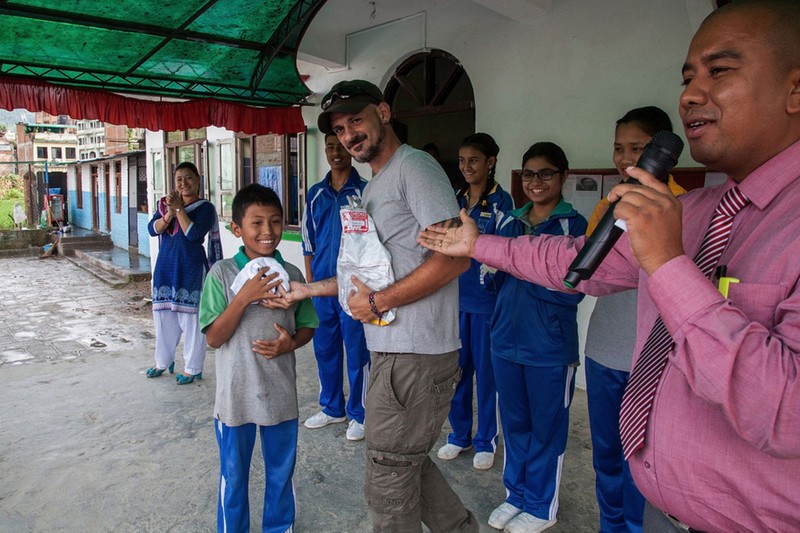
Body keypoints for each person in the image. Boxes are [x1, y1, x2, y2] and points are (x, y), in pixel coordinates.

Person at [418, 1, 800, 530]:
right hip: (663, 507)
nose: (690, 94)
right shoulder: (696, 212)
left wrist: (667, 262)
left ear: (795, 88)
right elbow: (576, 261)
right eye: (687, 77)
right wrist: (481, 245)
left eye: (720, 70)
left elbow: (785, 413)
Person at [283, 79, 478, 532]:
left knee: (387, 483)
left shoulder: (415, 168)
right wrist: (306, 291)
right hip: (391, 352)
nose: (349, 134)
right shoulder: (372, 190)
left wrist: (378, 301)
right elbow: (369, 277)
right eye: (339, 127)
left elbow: (455, 260)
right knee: (405, 463)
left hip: (417, 353)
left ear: (384, 113)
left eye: (356, 120)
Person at [583, 106, 686, 533]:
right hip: (604, 347)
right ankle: (611, 526)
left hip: (654, 358)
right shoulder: (607, 207)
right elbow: (589, 273)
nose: (627, 160)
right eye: (619, 149)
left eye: (639, 149)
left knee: (642, 461)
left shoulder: (682, 206)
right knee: (606, 453)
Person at [198, 183, 318, 532]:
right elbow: (214, 338)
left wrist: (290, 344)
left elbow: (308, 325)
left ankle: (279, 527)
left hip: (280, 393)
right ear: (237, 229)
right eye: (257, 223)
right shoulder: (221, 274)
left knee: (281, 472)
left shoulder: (293, 276)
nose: (268, 231)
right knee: (234, 476)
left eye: (276, 222)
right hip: (235, 398)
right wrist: (243, 297)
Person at [485, 142, 586, 533]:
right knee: (514, 424)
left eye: (546, 173)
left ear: (563, 176)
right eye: (528, 174)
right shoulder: (510, 221)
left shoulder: (573, 225)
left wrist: (520, 267)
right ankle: (516, 495)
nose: (536, 181)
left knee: (546, 429)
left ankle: (542, 506)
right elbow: (494, 277)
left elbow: (572, 285)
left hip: (549, 347)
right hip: (505, 342)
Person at [437, 133, 513, 471]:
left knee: (487, 375)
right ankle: (459, 435)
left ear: (491, 162)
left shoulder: (504, 203)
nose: (467, 167)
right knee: (457, 373)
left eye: (474, 160)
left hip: (487, 305)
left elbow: (507, 254)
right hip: (456, 302)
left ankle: (486, 440)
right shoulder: (457, 199)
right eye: (463, 160)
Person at [301, 132, 371, 441]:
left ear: (350, 149)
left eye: (341, 145)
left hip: (354, 289)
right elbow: (308, 244)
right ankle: (332, 408)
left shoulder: (364, 193)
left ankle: (361, 412)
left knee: (358, 352)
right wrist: (311, 285)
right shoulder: (315, 194)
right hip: (322, 291)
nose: (335, 152)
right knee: (325, 349)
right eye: (329, 146)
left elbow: (371, 245)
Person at [146, 161, 222, 384]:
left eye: (189, 178)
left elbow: (193, 234)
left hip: (190, 269)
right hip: (165, 269)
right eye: (179, 179)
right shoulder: (163, 205)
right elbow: (153, 229)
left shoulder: (205, 208)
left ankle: (193, 367)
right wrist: (169, 213)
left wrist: (179, 209)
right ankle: (163, 360)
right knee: (163, 318)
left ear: (198, 181)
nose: (184, 183)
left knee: (191, 322)